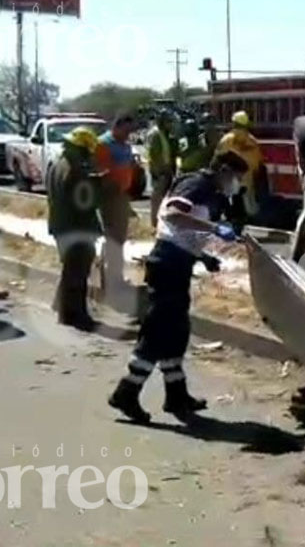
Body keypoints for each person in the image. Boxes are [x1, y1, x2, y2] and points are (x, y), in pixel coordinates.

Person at [108, 150, 248, 423]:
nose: (238, 183)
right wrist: (214, 228)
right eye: (237, 177)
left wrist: (203, 256)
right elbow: (173, 216)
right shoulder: (197, 185)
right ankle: (126, 391)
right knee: (157, 333)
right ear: (222, 171)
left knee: (176, 332)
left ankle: (176, 394)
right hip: (167, 264)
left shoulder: (212, 192)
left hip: (179, 262)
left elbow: (184, 234)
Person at [46, 126, 103, 331]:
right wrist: (98, 185)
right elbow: (85, 203)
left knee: (70, 269)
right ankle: (74, 315)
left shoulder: (57, 164)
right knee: (77, 272)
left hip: (60, 225)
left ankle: (62, 307)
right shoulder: (75, 170)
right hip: (76, 227)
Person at [94, 111, 139, 297]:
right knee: (113, 239)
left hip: (121, 195)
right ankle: (110, 281)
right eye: (126, 130)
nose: (129, 135)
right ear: (117, 126)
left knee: (119, 240)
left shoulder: (125, 145)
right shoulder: (103, 144)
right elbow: (101, 173)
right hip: (109, 197)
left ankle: (114, 277)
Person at [216, 110, 266, 221]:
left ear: (234, 123)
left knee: (233, 204)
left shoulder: (227, 139)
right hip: (248, 178)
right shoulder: (252, 140)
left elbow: (219, 157)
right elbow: (258, 160)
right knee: (248, 205)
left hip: (232, 179)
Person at [146, 110, 178, 228]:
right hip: (160, 172)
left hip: (167, 170)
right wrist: (159, 172)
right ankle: (155, 224)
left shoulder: (166, 134)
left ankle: (162, 223)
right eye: (168, 122)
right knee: (157, 198)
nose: (171, 124)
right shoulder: (155, 134)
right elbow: (154, 155)